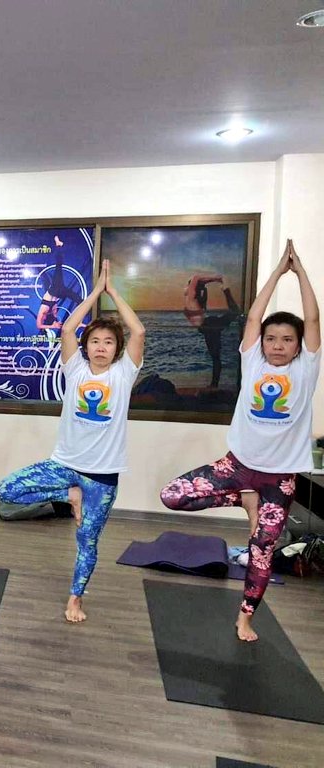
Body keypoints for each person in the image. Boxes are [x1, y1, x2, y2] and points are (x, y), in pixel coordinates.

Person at [161, 240, 319, 642]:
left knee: (262, 549)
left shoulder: (305, 369)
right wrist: (275, 275)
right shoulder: (252, 360)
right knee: (173, 495)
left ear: (299, 345)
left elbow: (313, 319)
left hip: (279, 479)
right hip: (237, 466)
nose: (278, 345)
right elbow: (252, 320)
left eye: (287, 339)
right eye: (272, 338)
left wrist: (300, 272)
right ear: (262, 342)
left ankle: (245, 617)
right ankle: (243, 495)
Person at [0, 260, 145, 623]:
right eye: (94, 341)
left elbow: (138, 332)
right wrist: (94, 293)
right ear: (86, 346)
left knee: (88, 541)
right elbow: (66, 329)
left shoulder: (124, 374)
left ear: (117, 349)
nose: (100, 347)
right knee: (7, 490)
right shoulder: (75, 368)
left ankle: (75, 599)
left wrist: (113, 293)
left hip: (104, 475)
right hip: (64, 464)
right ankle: (67, 496)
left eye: (108, 342)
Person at [184, 274, 242, 388]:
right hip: (208, 327)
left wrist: (216, 278)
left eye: (188, 286)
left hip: (209, 326)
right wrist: (214, 279)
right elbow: (197, 280)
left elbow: (196, 277)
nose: (186, 287)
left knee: (215, 357)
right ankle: (214, 384)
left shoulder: (191, 297)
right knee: (215, 357)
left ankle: (214, 385)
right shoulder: (193, 297)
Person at [37, 250, 83, 331]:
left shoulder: (43, 311)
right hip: (60, 292)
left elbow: (39, 325)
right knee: (80, 301)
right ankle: (79, 321)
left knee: (58, 268)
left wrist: (52, 326)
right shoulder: (52, 313)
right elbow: (51, 321)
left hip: (55, 290)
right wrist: (54, 324)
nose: (43, 319)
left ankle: (58, 247)